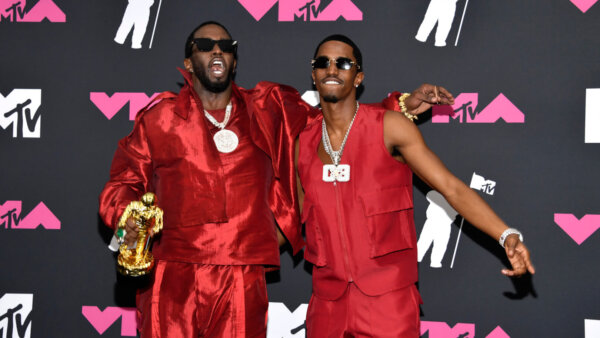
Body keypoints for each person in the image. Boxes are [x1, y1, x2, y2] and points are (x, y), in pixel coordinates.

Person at [99, 21, 451, 336]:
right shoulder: (158, 119)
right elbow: (122, 183)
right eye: (204, 45)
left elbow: (333, 119)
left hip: (241, 278)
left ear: (235, 61)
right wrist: (129, 217)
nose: (217, 50)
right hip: (172, 277)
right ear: (189, 63)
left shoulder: (268, 109)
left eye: (226, 45)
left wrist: (396, 108)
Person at [295, 34, 535, 337]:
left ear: (358, 77)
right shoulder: (303, 143)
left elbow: (451, 188)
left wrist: (506, 235)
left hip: (387, 302)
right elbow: (297, 216)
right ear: (313, 73)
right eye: (322, 62)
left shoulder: (390, 126)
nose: (332, 69)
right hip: (327, 304)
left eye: (343, 63)